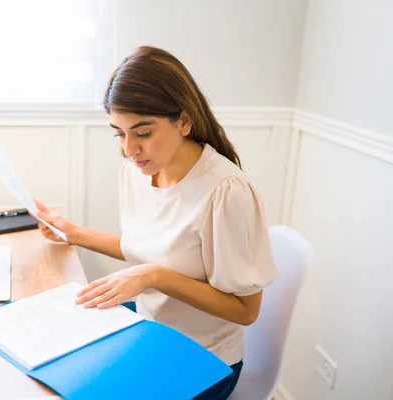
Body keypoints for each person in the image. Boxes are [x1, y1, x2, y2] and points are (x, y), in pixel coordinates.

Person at [34, 46, 278, 400]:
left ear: (183, 120)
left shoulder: (225, 191)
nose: (129, 149)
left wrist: (152, 276)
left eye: (143, 132)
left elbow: (245, 310)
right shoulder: (136, 172)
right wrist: (72, 233)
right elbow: (146, 246)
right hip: (149, 329)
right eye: (118, 133)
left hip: (205, 357)